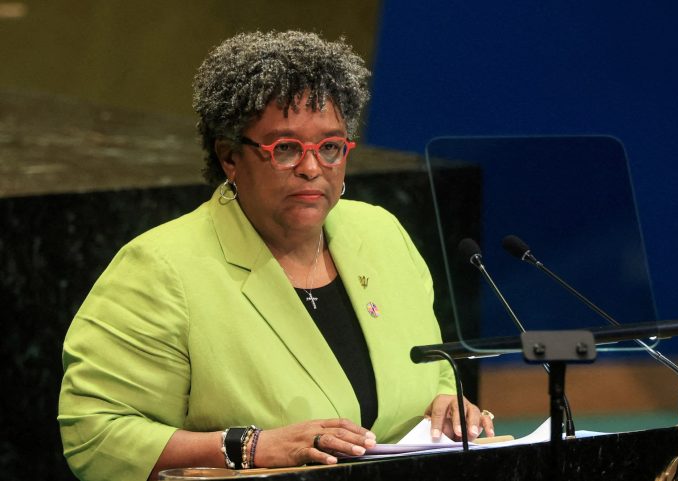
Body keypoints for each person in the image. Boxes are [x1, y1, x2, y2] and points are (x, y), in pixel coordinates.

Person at [57, 30, 494, 481]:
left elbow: (434, 372)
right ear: (229, 157)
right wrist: (251, 447)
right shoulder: (160, 268)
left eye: (329, 147)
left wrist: (445, 406)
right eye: (285, 149)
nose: (311, 168)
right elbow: (97, 436)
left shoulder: (380, 233)